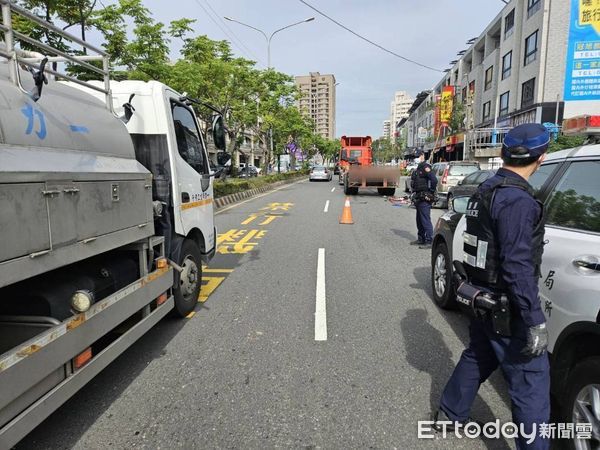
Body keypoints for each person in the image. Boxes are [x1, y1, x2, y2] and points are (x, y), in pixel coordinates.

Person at [432, 123, 551, 449]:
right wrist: (533, 319)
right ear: (541, 158)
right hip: (505, 305)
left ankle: (450, 413)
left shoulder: (486, 189)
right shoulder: (517, 201)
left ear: (502, 153)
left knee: (479, 355)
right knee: (531, 384)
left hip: (481, 295)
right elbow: (517, 267)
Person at [410, 150, 437, 249]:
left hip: (425, 197)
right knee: (419, 220)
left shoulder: (426, 167)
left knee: (425, 220)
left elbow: (434, 180)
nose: (415, 158)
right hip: (418, 197)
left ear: (422, 156)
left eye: (417, 156)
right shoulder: (418, 168)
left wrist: (431, 191)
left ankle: (430, 241)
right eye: (415, 156)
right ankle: (421, 239)